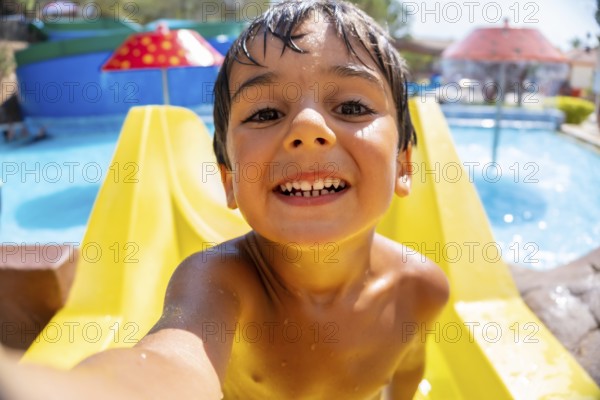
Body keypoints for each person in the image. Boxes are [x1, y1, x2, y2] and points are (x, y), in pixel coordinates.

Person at [0, 1, 448, 399]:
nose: (308, 128)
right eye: (266, 113)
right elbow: (168, 363)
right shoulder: (219, 283)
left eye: (351, 107)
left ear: (404, 165)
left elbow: (406, 375)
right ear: (230, 181)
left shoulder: (421, 288)